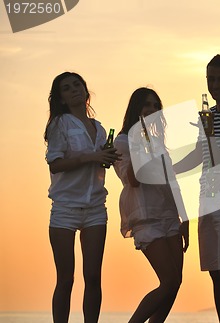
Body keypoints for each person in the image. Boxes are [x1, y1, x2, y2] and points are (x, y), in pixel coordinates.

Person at [173, 55, 220, 323]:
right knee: (216, 271)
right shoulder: (208, 116)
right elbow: (199, 153)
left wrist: (212, 134)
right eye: (211, 79)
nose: (215, 84)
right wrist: (171, 168)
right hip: (207, 197)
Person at [44, 72, 120, 323]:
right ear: (62, 98)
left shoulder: (98, 127)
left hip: (96, 206)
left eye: (77, 84)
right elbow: (55, 164)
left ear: (86, 90)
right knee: (66, 279)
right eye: (67, 88)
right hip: (65, 207)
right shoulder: (60, 124)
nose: (74, 89)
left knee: (93, 277)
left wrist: (106, 157)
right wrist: (92, 157)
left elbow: (99, 164)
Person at [113, 87, 189, 323]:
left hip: (169, 215)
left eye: (156, 106)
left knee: (175, 283)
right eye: (147, 105)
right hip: (145, 215)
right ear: (136, 108)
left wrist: (184, 219)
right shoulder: (123, 142)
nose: (152, 110)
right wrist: (139, 143)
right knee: (168, 282)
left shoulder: (158, 143)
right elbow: (133, 179)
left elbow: (173, 183)